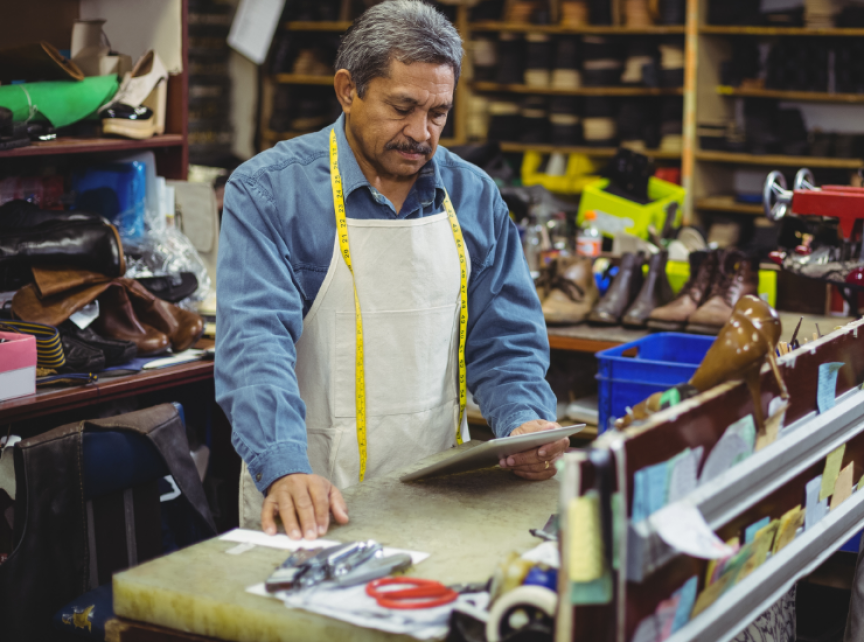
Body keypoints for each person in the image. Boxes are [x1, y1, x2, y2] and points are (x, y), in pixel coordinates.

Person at [215, 0, 566, 540]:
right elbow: (254, 344)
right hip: (310, 497)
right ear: (348, 90)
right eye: (402, 107)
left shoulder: (472, 195)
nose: (421, 133)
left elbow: (505, 340)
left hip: (437, 492)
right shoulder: (269, 192)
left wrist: (524, 423)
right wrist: (284, 465)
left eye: (437, 113)